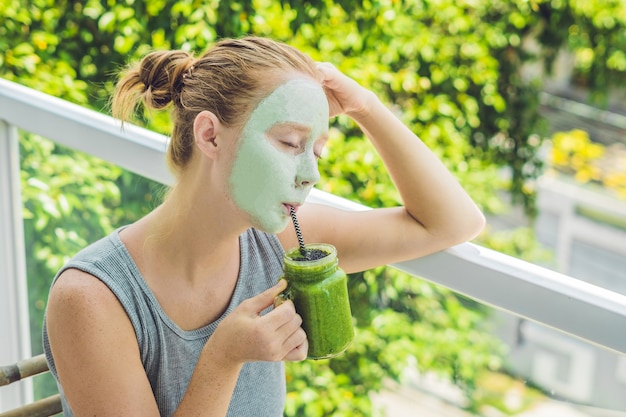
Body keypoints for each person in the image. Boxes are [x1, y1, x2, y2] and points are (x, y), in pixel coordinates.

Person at [43, 36, 485, 416]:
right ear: (210, 135)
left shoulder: (278, 242)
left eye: (318, 150)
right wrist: (223, 358)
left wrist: (364, 106)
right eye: (291, 143)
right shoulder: (91, 299)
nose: (311, 173)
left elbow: (452, 222)